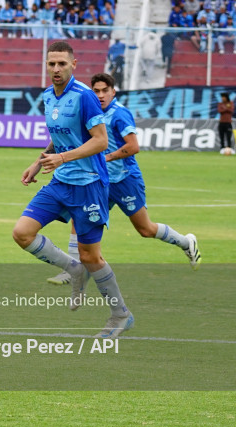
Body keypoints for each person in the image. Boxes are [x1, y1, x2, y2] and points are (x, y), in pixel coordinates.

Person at [12, 41, 134, 339]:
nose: (56, 69)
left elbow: (101, 141)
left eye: (62, 64)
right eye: (51, 63)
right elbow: (60, 137)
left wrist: (62, 158)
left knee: (91, 256)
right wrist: (38, 163)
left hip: (89, 184)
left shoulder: (85, 97)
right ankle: (74, 269)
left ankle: (121, 314)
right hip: (60, 181)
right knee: (22, 233)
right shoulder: (47, 97)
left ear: (73, 64)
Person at [46, 72, 201, 286]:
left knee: (145, 229)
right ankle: (74, 270)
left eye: (104, 91)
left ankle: (186, 242)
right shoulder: (88, 111)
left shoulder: (119, 114)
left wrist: (105, 156)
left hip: (124, 179)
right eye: (96, 91)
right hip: (99, 180)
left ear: (113, 92)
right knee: (80, 218)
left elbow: (133, 146)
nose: (100, 95)